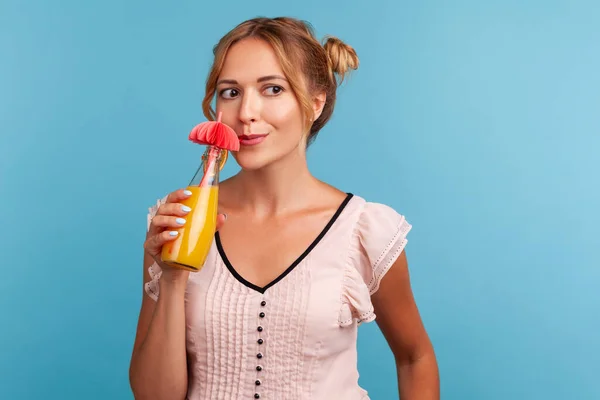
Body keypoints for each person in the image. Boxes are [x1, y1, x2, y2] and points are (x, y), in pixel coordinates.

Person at [129, 16, 439, 400]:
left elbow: (415, 357)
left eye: (272, 89)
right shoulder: (177, 220)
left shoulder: (363, 230)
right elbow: (154, 396)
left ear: (314, 102)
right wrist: (173, 279)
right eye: (230, 92)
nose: (246, 113)